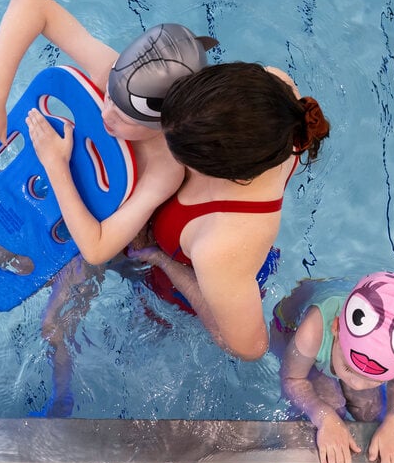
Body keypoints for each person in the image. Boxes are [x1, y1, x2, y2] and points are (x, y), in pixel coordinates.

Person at [0, 0, 217, 415]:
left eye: (123, 115)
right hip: (63, 197)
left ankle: (63, 396)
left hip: (106, 233)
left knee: (52, 326)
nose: (106, 114)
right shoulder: (113, 72)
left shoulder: (166, 166)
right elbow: (30, 2)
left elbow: (100, 245)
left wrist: (57, 165)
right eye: (109, 97)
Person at [128, 61, 330, 361]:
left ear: (227, 173)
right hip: (232, 266)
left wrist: (162, 259)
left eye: (179, 150)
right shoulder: (277, 93)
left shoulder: (223, 243)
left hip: (204, 283)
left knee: (148, 329)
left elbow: (249, 348)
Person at [268, 267, 394, 463]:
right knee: (331, 408)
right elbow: (292, 378)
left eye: (374, 379)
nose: (357, 385)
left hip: (350, 317)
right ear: (336, 328)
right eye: (348, 369)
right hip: (292, 326)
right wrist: (325, 418)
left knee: (372, 412)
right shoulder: (313, 330)